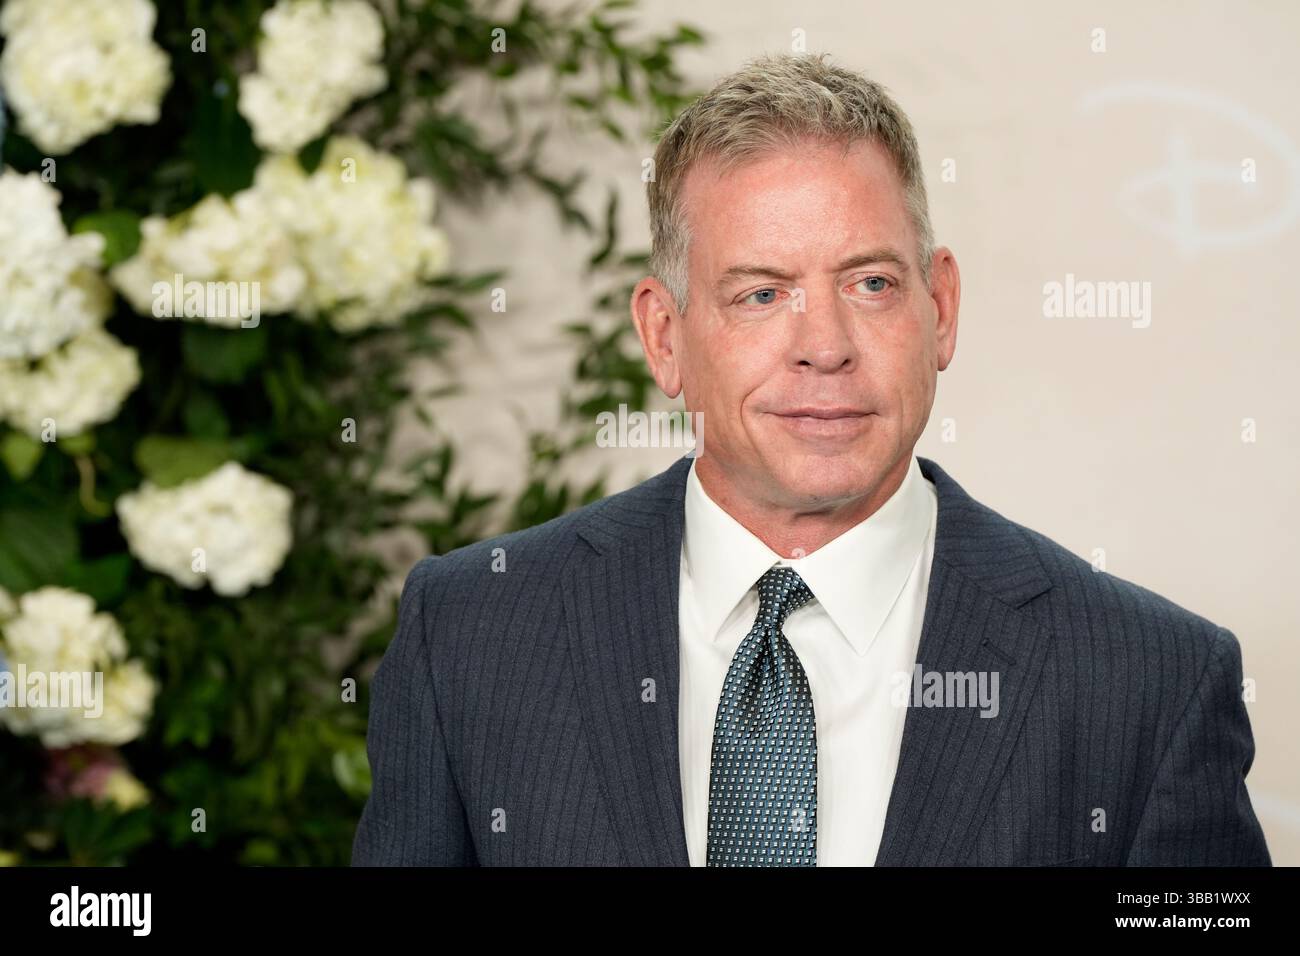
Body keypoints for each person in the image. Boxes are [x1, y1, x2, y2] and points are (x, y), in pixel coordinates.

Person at [352, 53, 1270, 867]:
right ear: (664, 338)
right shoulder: (472, 635)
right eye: (761, 294)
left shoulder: (1150, 683)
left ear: (940, 309)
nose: (823, 345)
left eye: (870, 283)